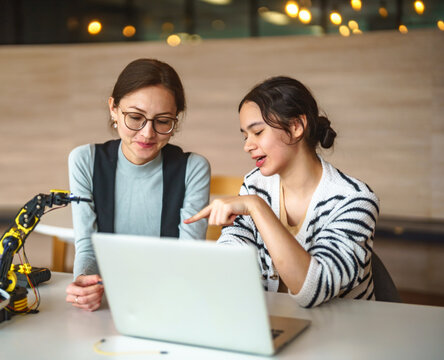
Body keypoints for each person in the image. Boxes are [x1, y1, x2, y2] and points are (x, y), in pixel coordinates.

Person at [185, 76, 379, 308]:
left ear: (296, 127)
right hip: (277, 322)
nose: (247, 145)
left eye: (257, 132)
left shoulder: (354, 200)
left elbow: (313, 289)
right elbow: (235, 248)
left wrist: (257, 207)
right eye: (245, 135)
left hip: (344, 333)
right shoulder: (255, 183)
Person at [66, 58, 211, 311]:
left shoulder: (193, 168)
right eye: (135, 117)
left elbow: (190, 256)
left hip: (171, 301)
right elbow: (87, 246)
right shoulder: (85, 160)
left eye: (163, 121)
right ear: (113, 108)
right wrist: (84, 283)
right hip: (108, 303)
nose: (147, 133)